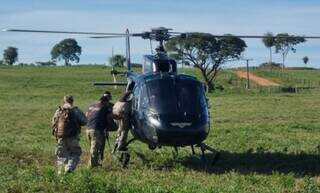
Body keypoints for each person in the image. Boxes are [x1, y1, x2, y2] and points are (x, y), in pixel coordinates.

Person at [51, 95, 87, 174]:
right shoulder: (76, 110)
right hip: (73, 137)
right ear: (72, 101)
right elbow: (84, 121)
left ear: (64, 101)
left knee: (61, 155)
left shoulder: (59, 110)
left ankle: (61, 173)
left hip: (60, 137)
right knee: (75, 153)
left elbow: (53, 123)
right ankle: (69, 168)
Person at [85, 91, 113, 168]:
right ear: (105, 101)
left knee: (93, 147)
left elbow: (86, 115)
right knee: (94, 149)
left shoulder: (92, 106)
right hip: (96, 130)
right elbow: (110, 117)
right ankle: (91, 167)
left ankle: (96, 163)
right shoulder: (105, 107)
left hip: (88, 129)